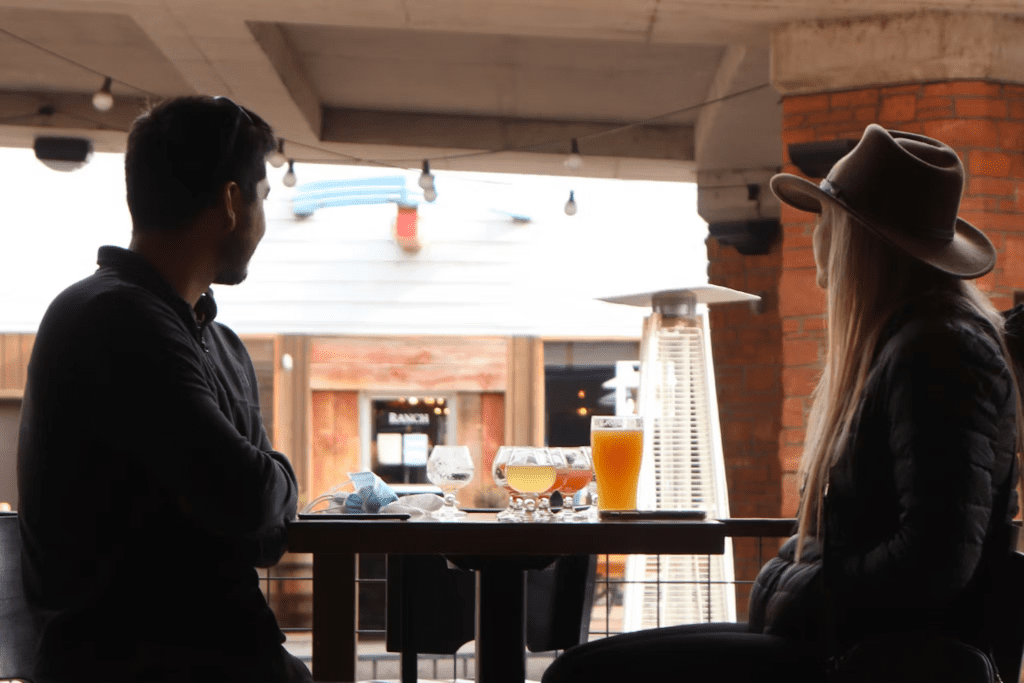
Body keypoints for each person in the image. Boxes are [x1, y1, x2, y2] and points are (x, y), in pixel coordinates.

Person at [542, 124, 1022, 683]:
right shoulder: (911, 342)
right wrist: (792, 585)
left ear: (857, 238)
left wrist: (804, 590)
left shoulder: (937, 351)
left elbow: (933, 562)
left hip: (862, 658)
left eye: (825, 218)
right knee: (580, 669)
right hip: (842, 645)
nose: (816, 235)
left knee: (580, 676)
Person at [17, 96, 311, 683]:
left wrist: (260, 487)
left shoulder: (216, 342)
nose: (262, 225)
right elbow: (245, 498)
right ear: (231, 202)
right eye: (262, 199)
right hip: (140, 662)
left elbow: (261, 536)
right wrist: (279, 476)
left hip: (213, 654)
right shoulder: (114, 319)